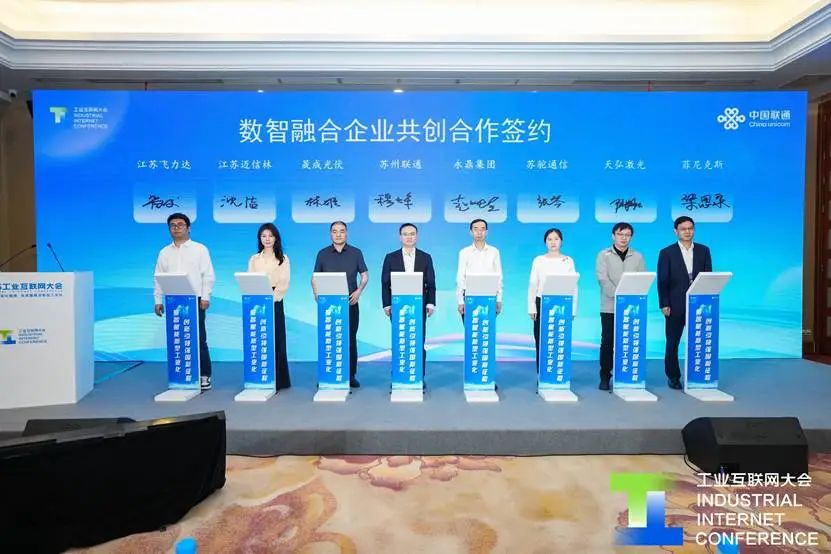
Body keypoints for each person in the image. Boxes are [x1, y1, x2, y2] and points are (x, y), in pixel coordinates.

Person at [153, 212, 215, 391]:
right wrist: (158, 300)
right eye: (172, 225)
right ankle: (181, 375)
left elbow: (208, 275)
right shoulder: (164, 252)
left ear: (188, 228)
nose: (176, 228)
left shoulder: (200, 249)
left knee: (199, 339)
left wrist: (205, 296)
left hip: (195, 300)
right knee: (177, 338)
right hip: (173, 301)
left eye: (180, 225)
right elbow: (158, 277)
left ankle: (204, 375)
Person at [657, 216, 713, 390]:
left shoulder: (704, 250)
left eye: (690, 228)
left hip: (699, 305)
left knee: (700, 341)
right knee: (672, 342)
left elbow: (708, 277)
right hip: (675, 305)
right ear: (676, 231)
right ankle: (673, 376)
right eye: (683, 229)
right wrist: (664, 304)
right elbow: (662, 281)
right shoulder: (667, 252)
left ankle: (699, 374)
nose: (687, 232)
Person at [312, 221, 368, 388]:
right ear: (330, 234)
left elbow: (365, 275)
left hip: (349, 303)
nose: (338, 234)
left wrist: (358, 291)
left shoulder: (356, 253)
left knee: (350, 339)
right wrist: (316, 294)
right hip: (329, 305)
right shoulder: (322, 254)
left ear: (346, 233)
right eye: (335, 231)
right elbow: (314, 277)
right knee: (329, 338)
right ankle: (328, 374)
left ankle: (350, 375)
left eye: (342, 231)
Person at [381, 223, 436, 382]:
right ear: (400, 237)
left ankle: (418, 376)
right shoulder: (390, 257)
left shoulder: (425, 257)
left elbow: (431, 283)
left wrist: (430, 303)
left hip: (419, 306)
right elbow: (385, 283)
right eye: (405, 234)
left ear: (417, 236)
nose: (409, 237)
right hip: (397, 306)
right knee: (400, 340)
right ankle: (399, 376)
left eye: (412, 234)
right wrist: (387, 304)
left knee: (418, 340)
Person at [595, 222, 646, 391]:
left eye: (627, 235)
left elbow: (642, 279)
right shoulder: (604, 255)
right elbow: (602, 279)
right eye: (620, 234)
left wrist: (629, 299)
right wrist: (620, 296)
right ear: (613, 236)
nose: (624, 238)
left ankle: (627, 375)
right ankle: (605, 376)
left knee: (630, 341)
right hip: (610, 306)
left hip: (632, 308)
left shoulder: (637, 257)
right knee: (608, 342)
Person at [247, 223, 291, 390]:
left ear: (276, 238)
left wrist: (271, 299)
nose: (267, 239)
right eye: (264, 236)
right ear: (260, 239)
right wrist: (257, 299)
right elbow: (250, 280)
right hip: (257, 302)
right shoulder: (254, 259)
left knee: (276, 339)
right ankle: (260, 376)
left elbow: (284, 283)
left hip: (274, 301)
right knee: (259, 338)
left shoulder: (283, 259)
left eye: (270, 236)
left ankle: (279, 380)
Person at [528, 228, 577, 371]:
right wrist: (532, 306)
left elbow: (574, 286)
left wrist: (573, 310)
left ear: (561, 241)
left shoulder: (568, 261)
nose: (553, 242)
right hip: (542, 303)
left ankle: (558, 372)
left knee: (560, 339)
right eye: (549, 239)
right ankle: (542, 373)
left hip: (562, 304)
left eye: (556, 239)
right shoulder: (539, 260)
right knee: (542, 339)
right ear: (545, 242)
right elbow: (533, 284)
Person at [456, 218, 503, 319]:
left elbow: (499, 277)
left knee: (487, 327)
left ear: (486, 232)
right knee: (471, 327)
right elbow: (460, 278)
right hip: (469, 296)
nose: (479, 232)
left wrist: (499, 299)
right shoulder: (464, 252)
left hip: (490, 296)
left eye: (482, 229)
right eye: (476, 229)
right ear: (471, 232)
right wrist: (460, 301)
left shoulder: (494, 252)